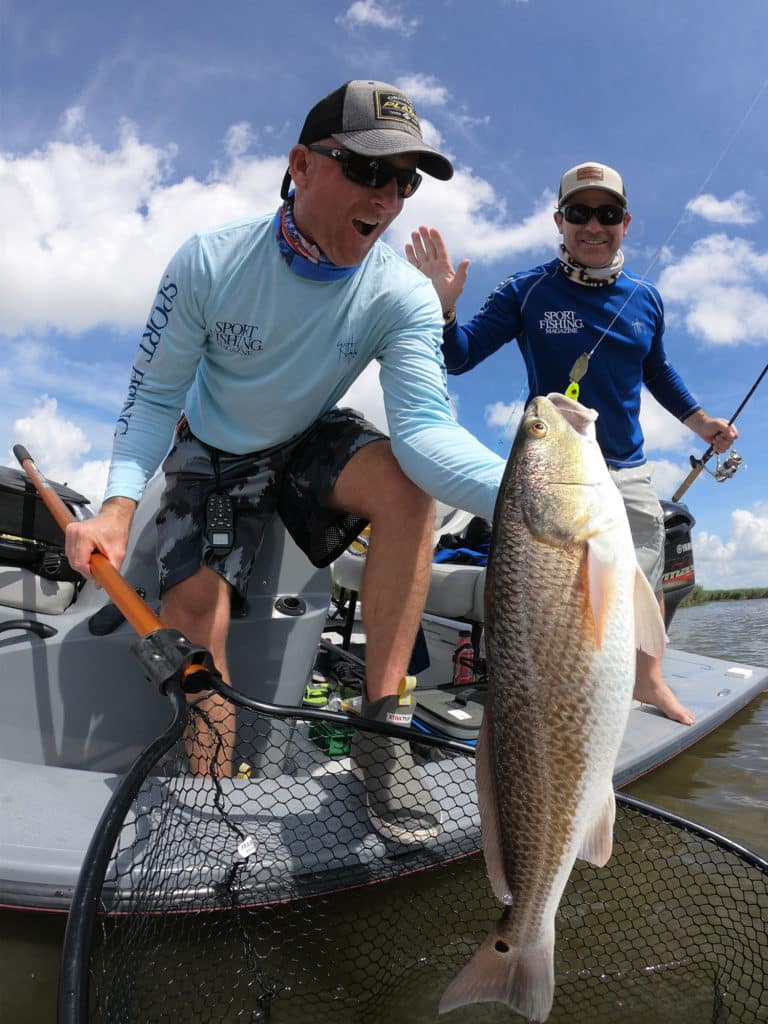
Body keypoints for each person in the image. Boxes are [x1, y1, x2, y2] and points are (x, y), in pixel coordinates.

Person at [64, 79, 505, 844]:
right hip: (210, 449)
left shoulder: (400, 294)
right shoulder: (210, 261)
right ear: (301, 165)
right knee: (197, 616)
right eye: (369, 171)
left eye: (404, 180)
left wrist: (548, 500)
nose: (389, 198)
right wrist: (116, 506)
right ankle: (205, 795)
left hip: (306, 433)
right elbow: (151, 401)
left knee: (409, 490)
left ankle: (381, 735)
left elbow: (429, 435)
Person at [406, 160, 739, 726]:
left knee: (645, 573)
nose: (593, 225)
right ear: (559, 221)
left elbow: (656, 370)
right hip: (550, 473)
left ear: (625, 222)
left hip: (626, 469)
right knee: (553, 596)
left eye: (606, 214)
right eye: (579, 213)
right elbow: (460, 357)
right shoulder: (525, 289)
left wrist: (700, 422)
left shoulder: (647, 298)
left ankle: (648, 680)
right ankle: (555, 695)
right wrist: (443, 307)